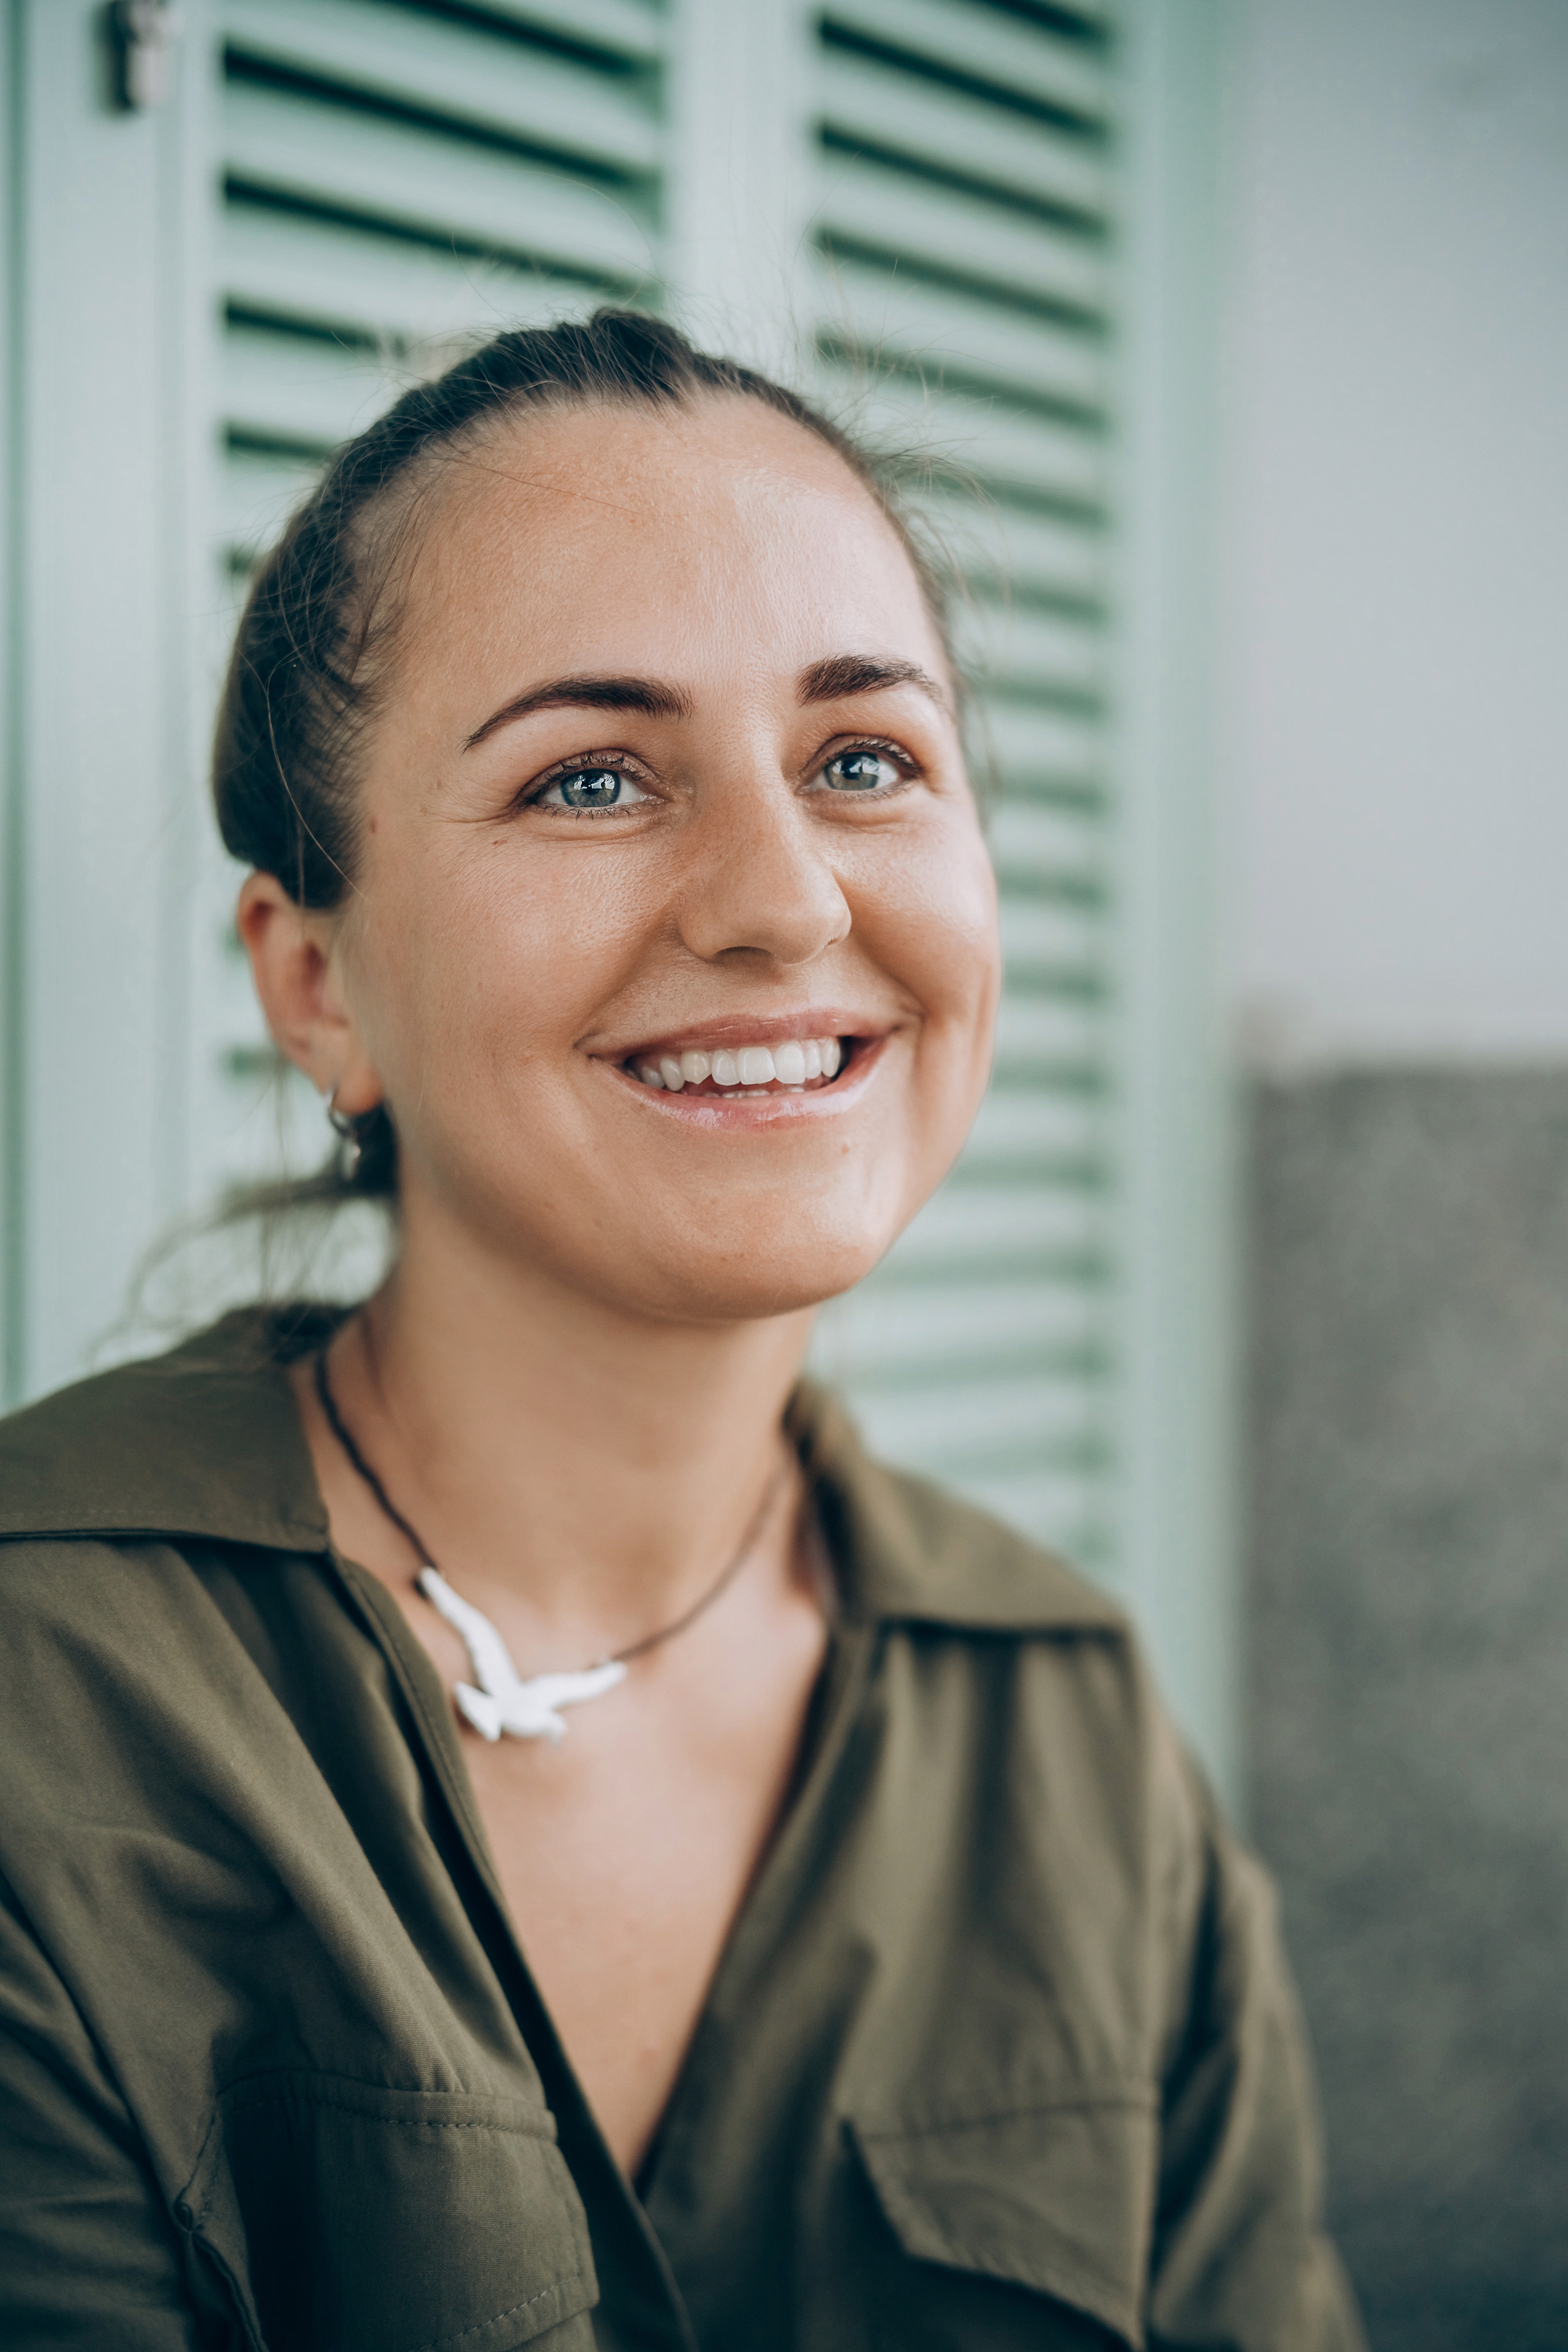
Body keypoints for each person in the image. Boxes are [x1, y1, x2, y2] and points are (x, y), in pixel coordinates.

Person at [0, 311, 1363, 2351]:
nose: (786, 899)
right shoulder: (48, 1699)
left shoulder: (1070, 1742)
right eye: (596, 775)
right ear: (316, 987)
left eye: (866, 759)